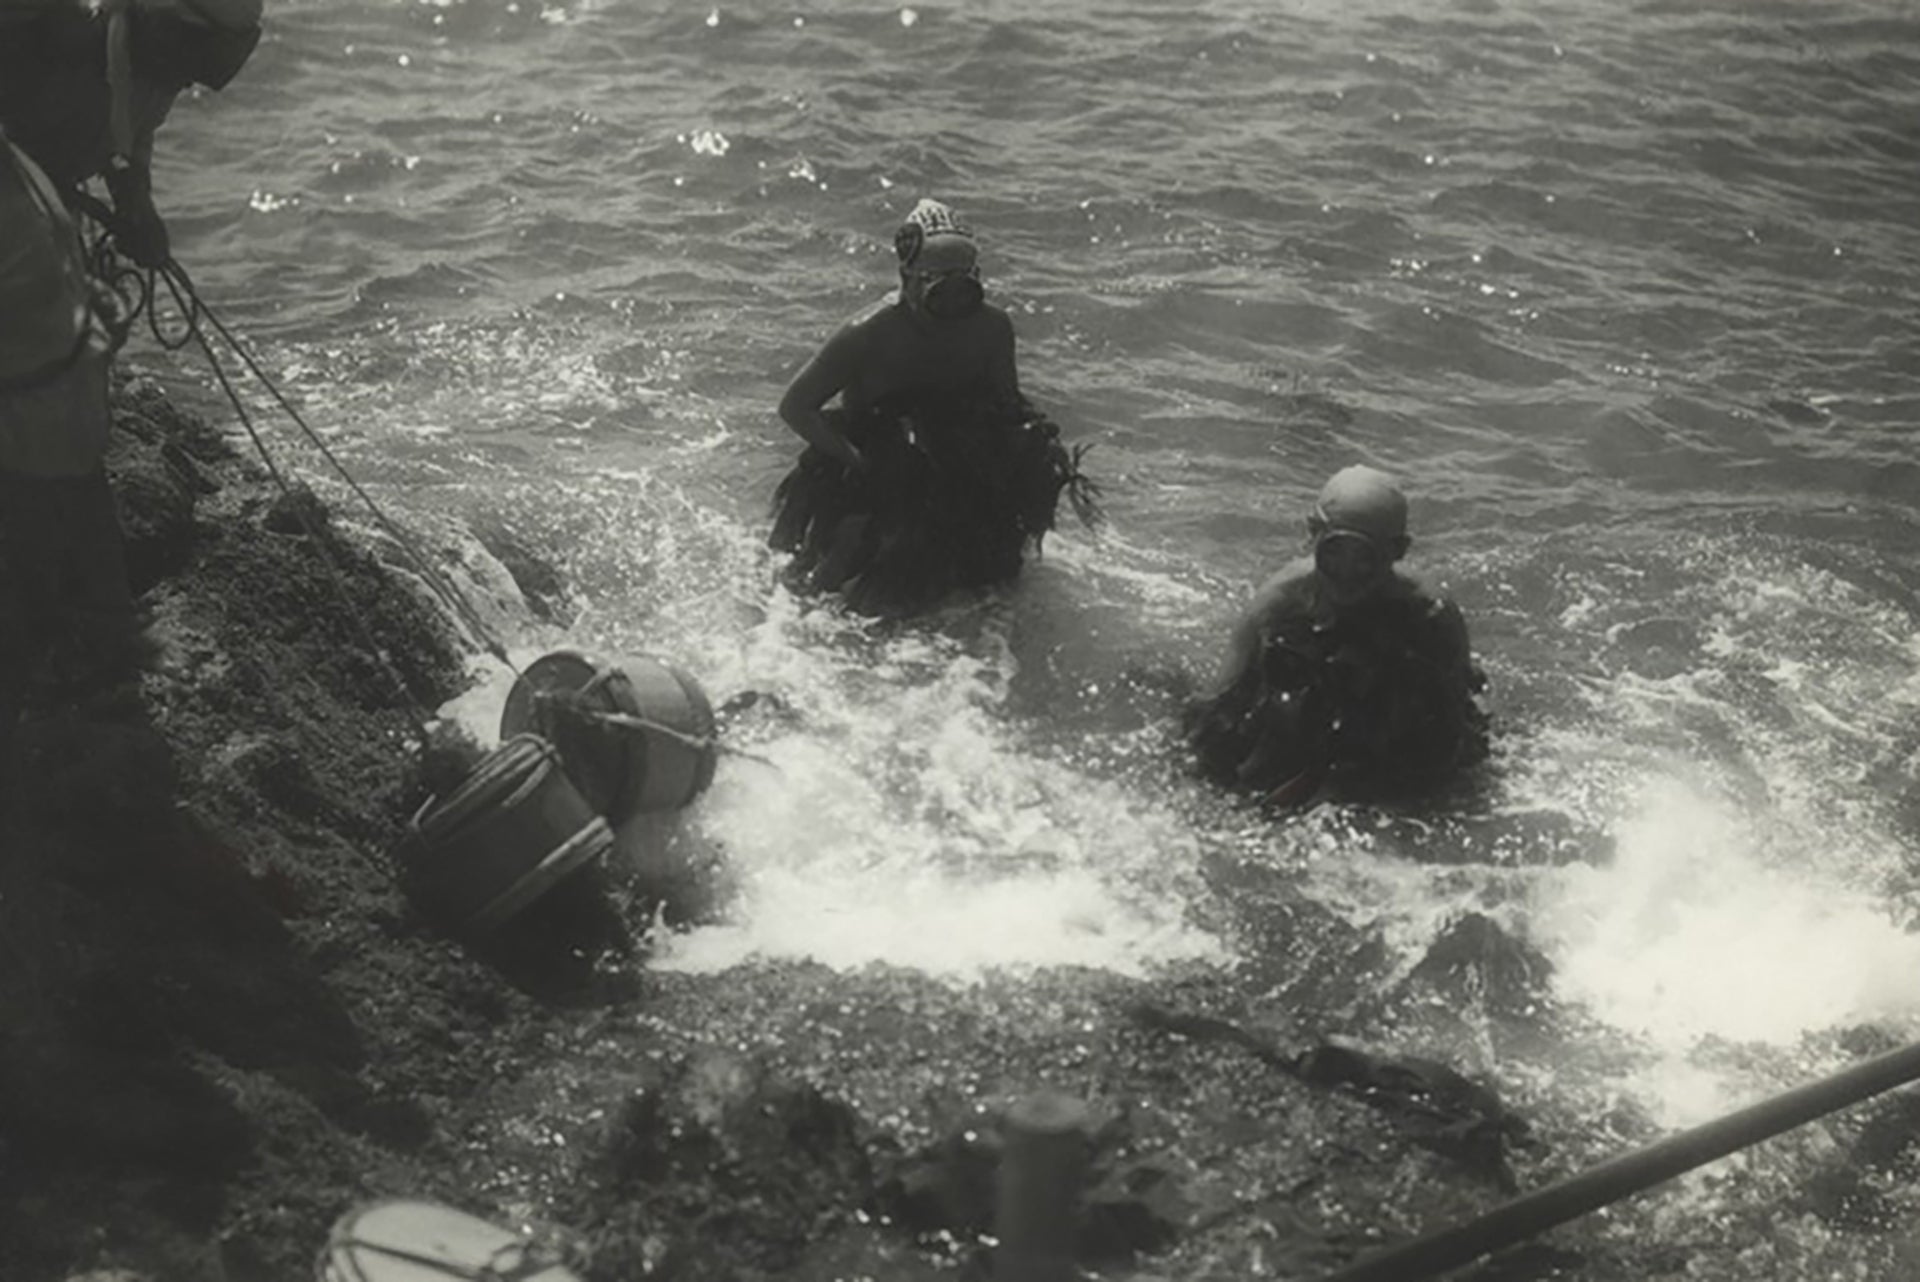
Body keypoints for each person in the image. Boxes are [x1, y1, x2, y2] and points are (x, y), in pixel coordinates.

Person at [0, 0, 262, 802]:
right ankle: (67, 635)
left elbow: (128, 136)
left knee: (73, 404)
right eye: (195, 57)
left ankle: (91, 623)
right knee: (53, 402)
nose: (193, 81)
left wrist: (138, 209)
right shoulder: (57, 36)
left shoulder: (154, 70)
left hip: (35, 199)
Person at [768, 197, 1097, 617]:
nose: (956, 298)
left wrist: (1025, 450)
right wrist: (856, 460)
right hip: (877, 460)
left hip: (953, 452)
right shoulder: (866, 333)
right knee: (840, 566)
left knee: (989, 575)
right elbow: (795, 407)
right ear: (907, 277)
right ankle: (802, 628)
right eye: (940, 283)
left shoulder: (992, 328)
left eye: (966, 282)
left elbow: (1005, 401)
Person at [1184, 464, 1489, 807]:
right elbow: (1218, 702)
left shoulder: (1430, 611)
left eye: (1365, 559)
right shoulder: (1278, 602)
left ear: (1398, 551)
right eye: (1334, 553)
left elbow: (1459, 720)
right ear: (1312, 535)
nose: (1347, 573)